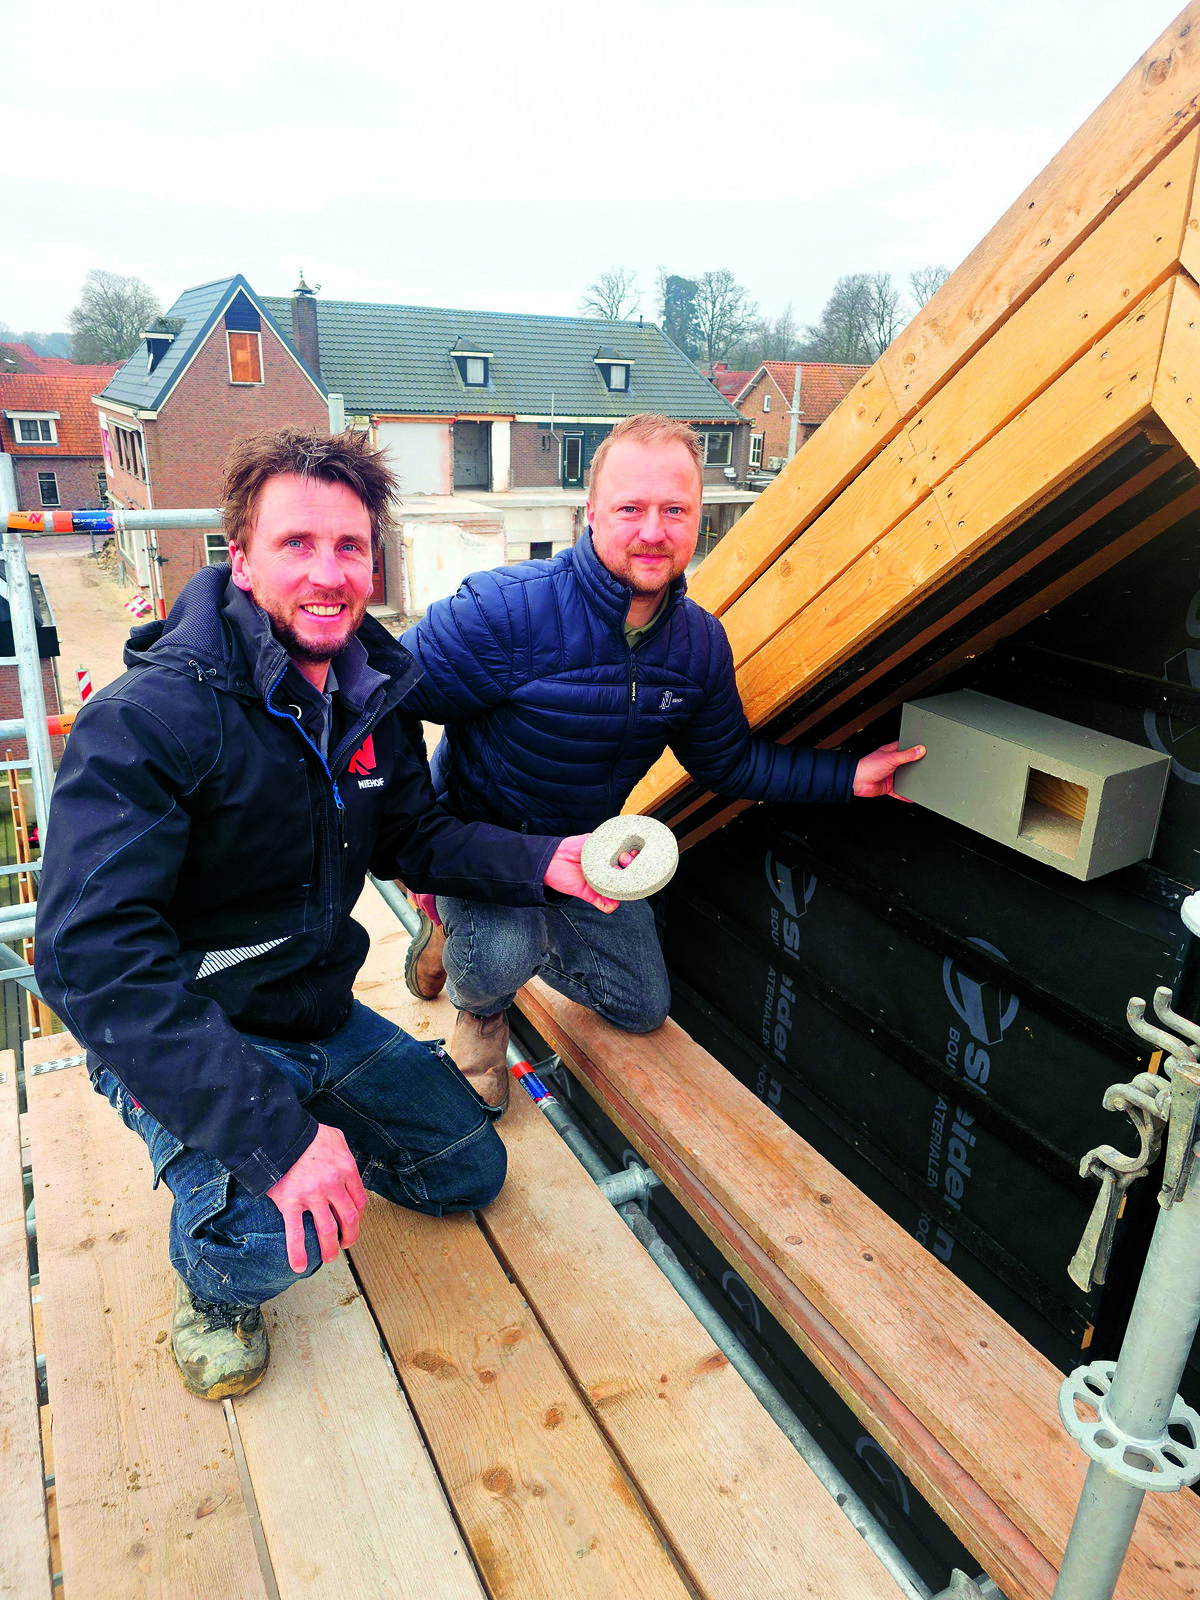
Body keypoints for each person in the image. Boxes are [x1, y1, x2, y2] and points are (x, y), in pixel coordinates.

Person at [34, 427, 616, 1401]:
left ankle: (295, 1130)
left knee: (467, 1169)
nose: (327, 572)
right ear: (242, 557)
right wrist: (277, 1139)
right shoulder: (151, 720)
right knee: (279, 1234)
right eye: (296, 543)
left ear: (373, 561)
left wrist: (543, 859)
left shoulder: (372, 690)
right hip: (191, 1029)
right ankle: (214, 1279)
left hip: (314, 1011)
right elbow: (88, 958)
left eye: (350, 546)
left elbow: (414, 837)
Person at [401, 413, 924, 1094]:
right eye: (631, 508)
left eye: (674, 509)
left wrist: (851, 776)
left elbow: (728, 763)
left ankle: (493, 940)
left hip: (587, 851)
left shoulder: (697, 646)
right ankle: (479, 1006)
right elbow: (381, 702)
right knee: (502, 951)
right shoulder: (504, 612)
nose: (654, 530)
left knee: (641, 1004)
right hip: (483, 845)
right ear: (591, 513)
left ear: (699, 516)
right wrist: (422, 847)